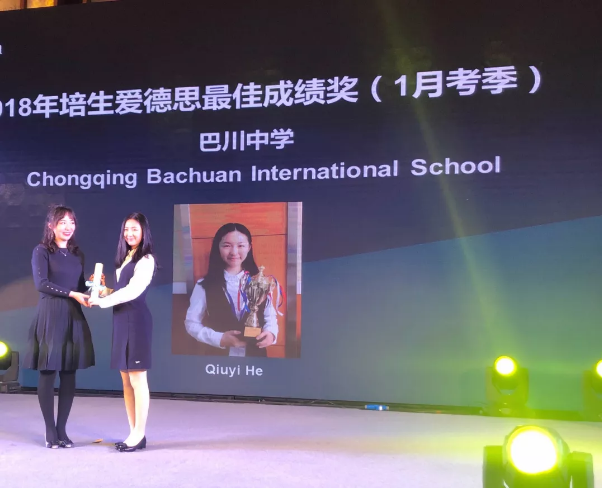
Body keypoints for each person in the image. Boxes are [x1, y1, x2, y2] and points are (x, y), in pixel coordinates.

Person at [24, 205, 94, 449]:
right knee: (48, 371)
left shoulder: (77, 254)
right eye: (62, 222)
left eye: (71, 222)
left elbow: (80, 287)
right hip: (51, 314)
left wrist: (92, 288)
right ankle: (49, 430)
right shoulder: (41, 251)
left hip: (73, 315)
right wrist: (73, 294)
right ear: (51, 225)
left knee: (69, 372)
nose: (68, 227)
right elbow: (41, 284)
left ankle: (62, 429)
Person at [88, 212, 155, 453]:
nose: (129, 233)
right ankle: (133, 433)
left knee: (137, 378)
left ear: (144, 232)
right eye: (126, 229)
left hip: (136, 321)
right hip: (120, 320)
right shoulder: (126, 257)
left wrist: (102, 302)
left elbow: (133, 291)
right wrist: (101, 290)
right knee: (126, 379)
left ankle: (139, 434)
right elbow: (121, 291)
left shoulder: (146, 259)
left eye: (134, 229)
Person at [185, 223, 279, 358]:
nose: (234, 252)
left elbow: (270, 317)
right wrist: (219, 339)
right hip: (218, 361)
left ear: (249, 248)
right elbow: (191, 323)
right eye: (227, 245)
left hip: (255, 360)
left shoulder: (261, 283)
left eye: (241, 246)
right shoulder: (203, 285)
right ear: (218, 247)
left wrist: (271, 334)